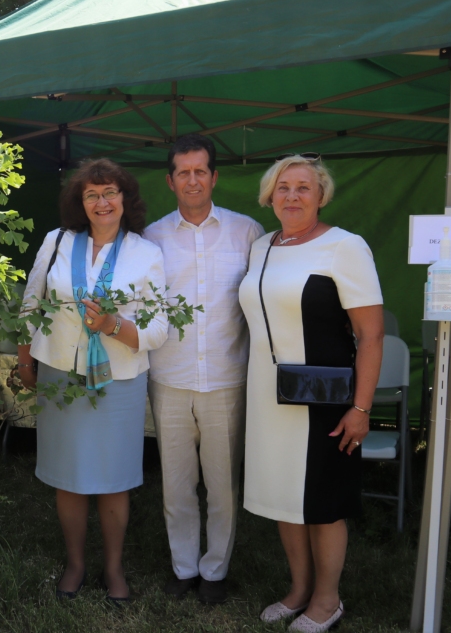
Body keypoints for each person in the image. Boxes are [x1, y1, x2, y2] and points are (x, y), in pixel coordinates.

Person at [238, 155, 383, 632]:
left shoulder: (345, 247)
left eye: (304, 187)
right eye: (283, 187)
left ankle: (327, 599)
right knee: (285, 495)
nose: (293, 196)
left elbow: (371, 335)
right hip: (269, 395)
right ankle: (299, 589)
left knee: (322, 503)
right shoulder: (261, 247)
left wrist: (361, 407)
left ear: (321, 196)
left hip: (323, 397)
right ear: (269, 196)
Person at [17, 158, 169, 604]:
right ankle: (76, 563)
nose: (102, 203)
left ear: (125, 198)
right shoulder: (57, 241)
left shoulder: (146, 253)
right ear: (79, 202)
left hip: (119, 379)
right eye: (91, 195)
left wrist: (112, 325)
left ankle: (114, 567)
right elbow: (31, 304)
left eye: (110, 193)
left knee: (115, 478)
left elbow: (159, 328)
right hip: (61, 374)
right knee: (69, 476)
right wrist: (25, 362)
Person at [142, 134, 264, 604]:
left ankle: (215, 570)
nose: (192, 180)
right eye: (183, 172)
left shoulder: (247, 232)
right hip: (168, 377)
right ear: (170, 181)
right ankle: (184, 566)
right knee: (176, 483)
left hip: (227, 378)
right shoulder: (151, 239)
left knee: (222, 484)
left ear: (214, 177)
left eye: (200, 171)